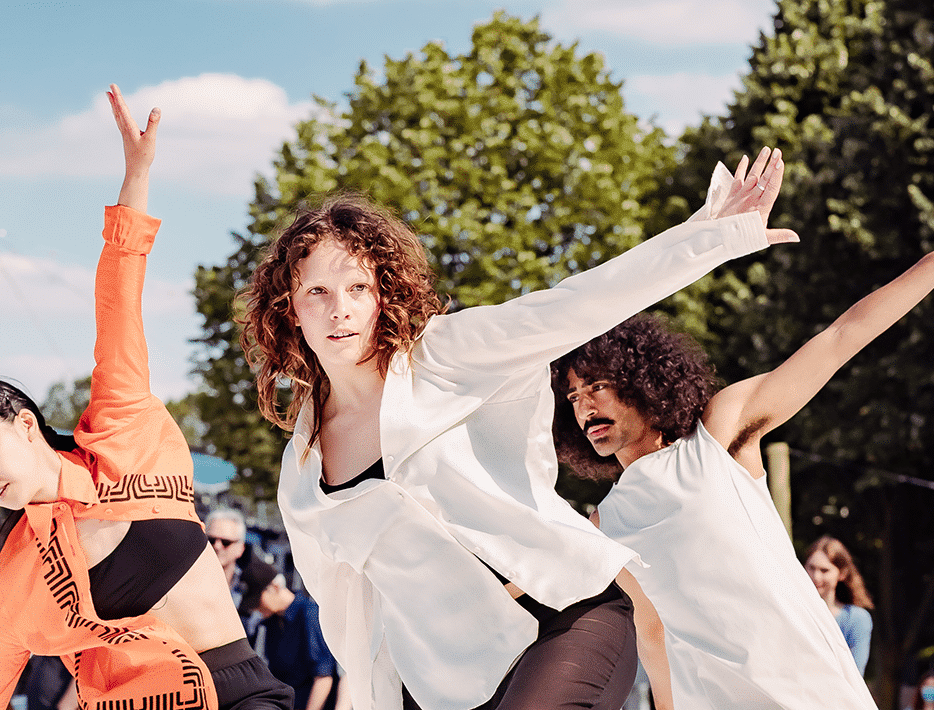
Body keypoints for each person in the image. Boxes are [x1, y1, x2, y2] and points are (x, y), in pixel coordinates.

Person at [239, 146, 798, 709]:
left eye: (357, 288)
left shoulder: (441, 358)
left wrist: (711, 234)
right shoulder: (304, 470)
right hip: (449, 677)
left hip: (562, 618)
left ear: (383, 296)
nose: (340, 310)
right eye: (318, 292)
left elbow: (571, 306)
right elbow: (348, 611)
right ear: (290, 308)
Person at [552, 177, 934, 709]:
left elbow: (841, 338)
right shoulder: (604, 526)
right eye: (573, 396)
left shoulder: (716, 437)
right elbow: (654, 639)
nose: (585, 405)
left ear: (642, 380)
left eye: (598, 386)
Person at [0, 85, 288, 710]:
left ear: (23, 424)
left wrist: (138, 175)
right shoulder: (16, 570)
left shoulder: (123, 429)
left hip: (239, 693)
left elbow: (118, 297)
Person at [249, 577, 337, 710]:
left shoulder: (309, 614)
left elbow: (323, 677)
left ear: (275, 587)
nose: (255, 608)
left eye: (257, 600)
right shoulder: (272, 622)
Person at [805, 535, 875, 675]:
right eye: (811, 568)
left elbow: (854, 673)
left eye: (824, 570)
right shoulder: (795, 610)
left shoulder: (856, 619)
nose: (816, 577)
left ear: (842, 574)